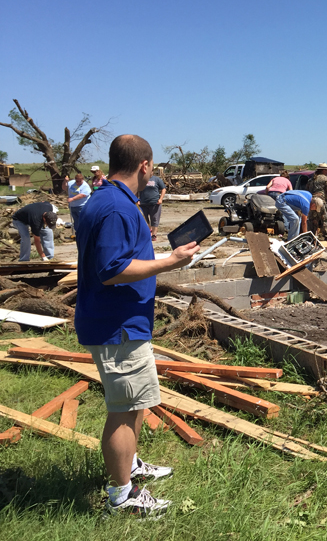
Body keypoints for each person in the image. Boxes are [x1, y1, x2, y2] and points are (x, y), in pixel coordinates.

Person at [75, 134, 200, 518]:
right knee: (123, 408)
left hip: (125, 323)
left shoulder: (108, 198)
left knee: (137, 402)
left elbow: (121, 258)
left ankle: (129, 466)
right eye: (153, 167)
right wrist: (170, 263)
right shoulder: (115, 208)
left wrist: (164, 254)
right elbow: (112, 271)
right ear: (144, 166)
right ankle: (122, 496)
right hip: (119, 327)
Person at [306, 163, 327, 240]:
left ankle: (311, 236)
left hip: (312, 201)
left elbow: (307, 190)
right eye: (326, 170)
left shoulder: (311, 179)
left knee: (313, 219)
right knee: (326, 217)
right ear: (323, 170)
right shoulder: (326, 179)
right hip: (322, 201)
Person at [138, 174, 166, 241]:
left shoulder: (157, 179)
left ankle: (154, 235)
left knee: (154, 219)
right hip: (143, 203)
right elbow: (136, 189)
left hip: (155, 203)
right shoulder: (141, 179)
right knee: (144, 219)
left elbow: (163, 189)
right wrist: (137, 199)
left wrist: (161, 199)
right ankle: (148, 231)